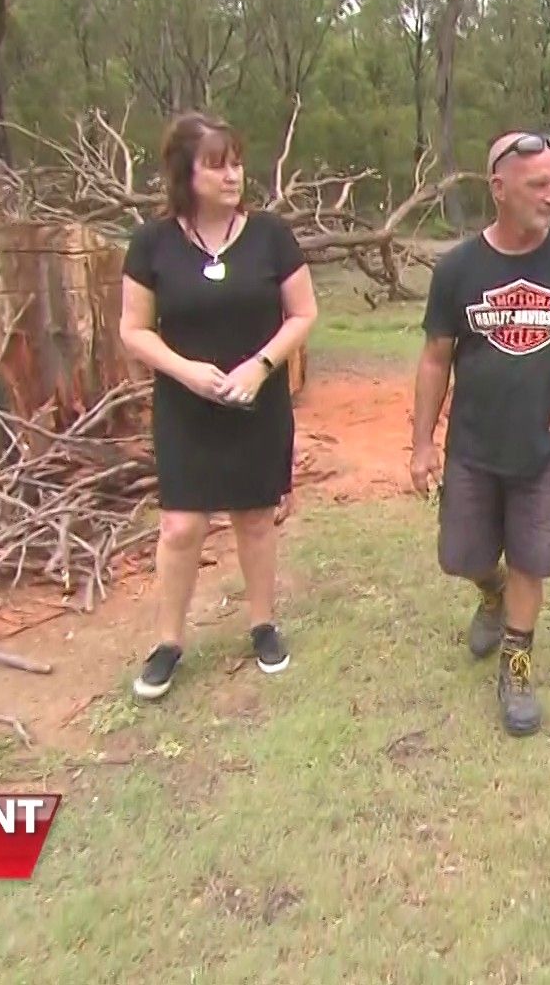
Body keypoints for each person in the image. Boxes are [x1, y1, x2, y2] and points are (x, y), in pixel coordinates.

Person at [409, 130, 550, 737]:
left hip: (541, 450)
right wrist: (423, 443)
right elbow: (435, 358)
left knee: (531, 561)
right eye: (538, 185)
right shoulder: (458, 268)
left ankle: (517, 668)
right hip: (472, 448)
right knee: (463, 557)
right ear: (499, 188)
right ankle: (492, 593)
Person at [119, 111, 319, 700]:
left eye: (236, 163)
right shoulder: (152, 243)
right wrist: (186, 372)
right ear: (185, 173)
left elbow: (303, 313)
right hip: (185, 407)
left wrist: (259, 367)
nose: (232, 176)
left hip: (258, 401)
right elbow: (134, 329)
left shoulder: (271, 236)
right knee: (182, 526)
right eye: (216, 165)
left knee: (254, 518)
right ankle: (168, 642)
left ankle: (262, 625)